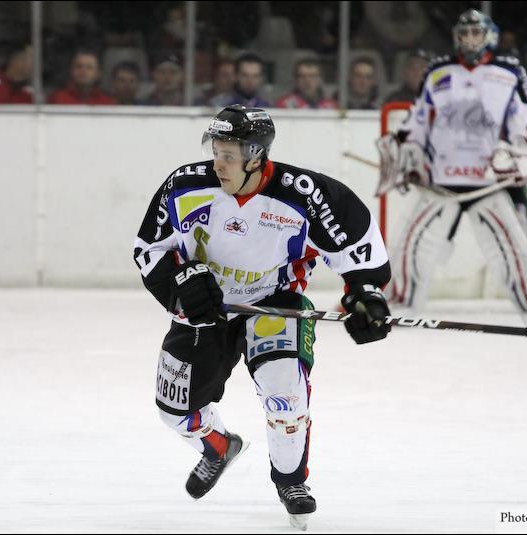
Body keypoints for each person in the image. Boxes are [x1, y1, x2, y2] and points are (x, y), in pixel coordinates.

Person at [133, 105, 391, 529]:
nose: (218, 164)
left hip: (275, 302)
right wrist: (180, 288)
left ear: (255, 157)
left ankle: (291, 481)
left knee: (284, 389)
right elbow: (148, 249)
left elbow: (356, 247)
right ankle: (218, 447)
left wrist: (365, 293)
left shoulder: (304, 195)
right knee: (174, 410)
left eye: (229, 155)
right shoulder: (183, 186)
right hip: (206, 308)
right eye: (216, 152)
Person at [380, 9, 527, 328]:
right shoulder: (438, 70)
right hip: (441, 179)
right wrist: (408, 151)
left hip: (487, 180)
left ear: (489, 36)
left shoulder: (509, 71)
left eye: (476, 33)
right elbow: (418, 119)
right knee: (412, 245)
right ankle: (396, 305)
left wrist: (526, 150)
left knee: (514, 250)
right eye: (464, 34)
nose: (469, 40)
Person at [48, 50, 115, 105]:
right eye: (79, 66)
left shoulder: (107, 102)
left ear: (98, 74)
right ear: (71, 71)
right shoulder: (57, 98)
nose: (83, 71)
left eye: (89, 67)